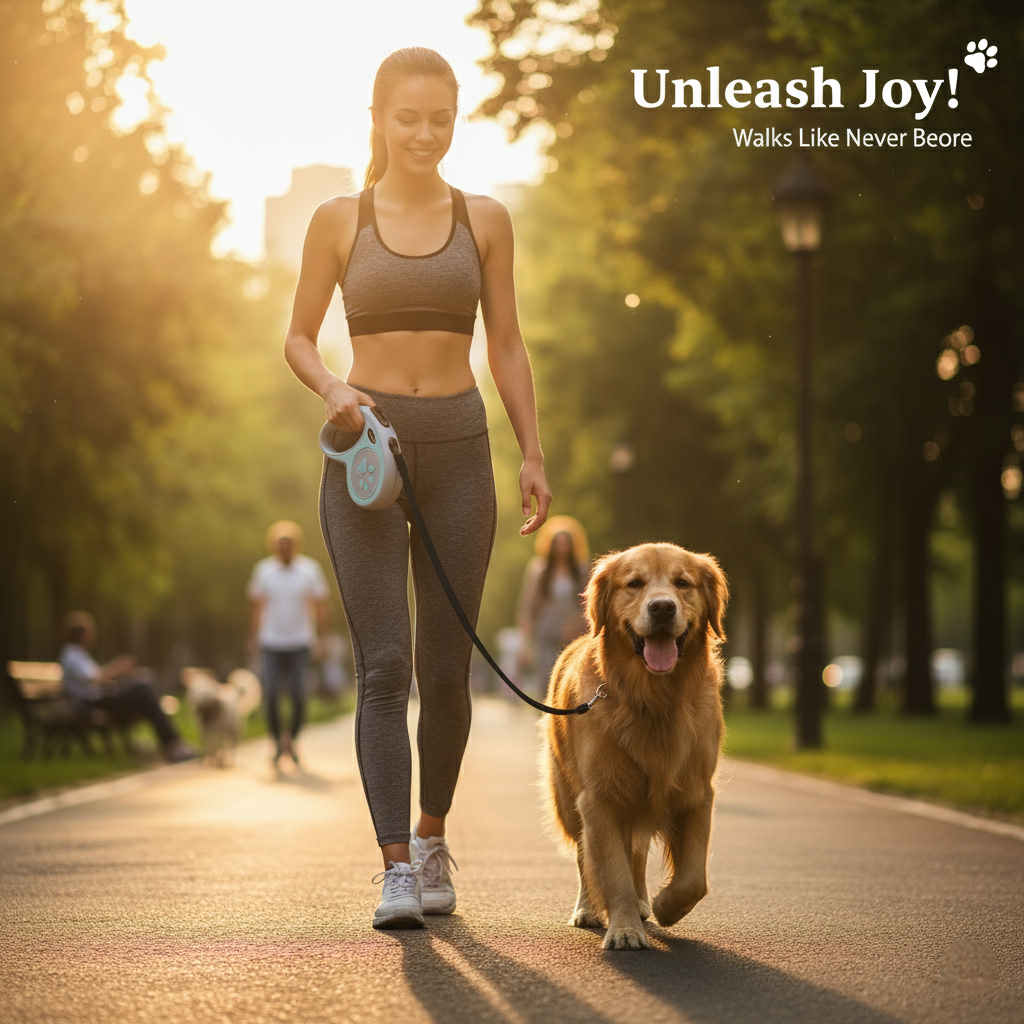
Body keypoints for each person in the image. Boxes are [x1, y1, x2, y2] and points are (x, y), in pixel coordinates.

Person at [284, 47, 551, 930]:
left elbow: (506, 344)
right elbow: (297, 340)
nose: (425, 134)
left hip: (459, 451)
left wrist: (532, 455)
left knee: (444, 670)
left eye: (440, 117)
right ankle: (395, 864)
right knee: (385, 666)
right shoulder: (336, 219)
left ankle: (433, 835)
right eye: (408, 117)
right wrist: (334, 391)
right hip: (363, 453)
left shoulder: (485, 219)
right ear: (378, 119)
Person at [57, 611, 197, 763]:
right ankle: (172, 745)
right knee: (143, 691)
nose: (92, 637)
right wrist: (119, 667)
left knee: (143, 689)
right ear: (80, 635)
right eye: (89, 633)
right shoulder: (72, 654)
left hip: (97, 699)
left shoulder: (78, 654)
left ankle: (171, 744)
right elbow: (95, 679)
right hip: (90, 704)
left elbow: (95, 678)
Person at [246, 520, 330, 767]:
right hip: (271, 642)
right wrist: (252, 637)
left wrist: (323, 638)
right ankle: (275, 742)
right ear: (274, 546)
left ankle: (291, 740)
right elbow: (256, 606)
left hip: (300, 642)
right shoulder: (263, 571)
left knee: (297, 694)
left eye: (289, 543)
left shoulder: (310, 570)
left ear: (296, 545)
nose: (284, 548)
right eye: (280, 544)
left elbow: (321, 605)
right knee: (270, 694)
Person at [517, 516, 590, 692]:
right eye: (558, 543)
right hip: (545, 637)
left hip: (573, 636)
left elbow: (588, 605)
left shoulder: (582, 571)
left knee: (573, 684)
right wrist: (525, 644)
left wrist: (578, 624)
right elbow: (527, 609)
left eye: (566, 543)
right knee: (546, 682)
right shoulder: (538, 571)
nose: (562, 548)